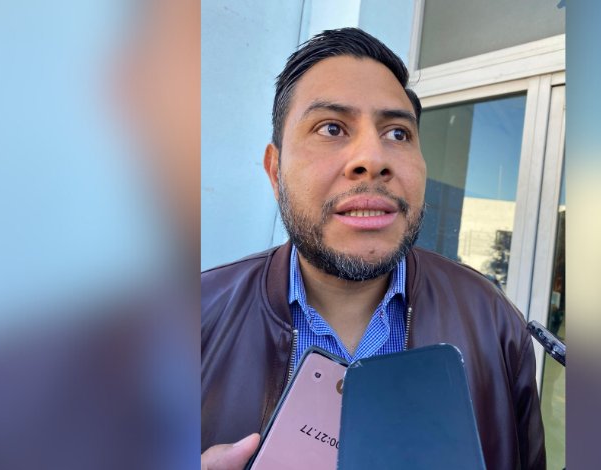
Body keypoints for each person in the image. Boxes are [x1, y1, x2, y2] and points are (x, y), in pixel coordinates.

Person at [201, 28, 545, 470]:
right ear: (275, 171)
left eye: (397, 133)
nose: (373, 158)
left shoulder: (494, 322)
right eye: (331, 128)